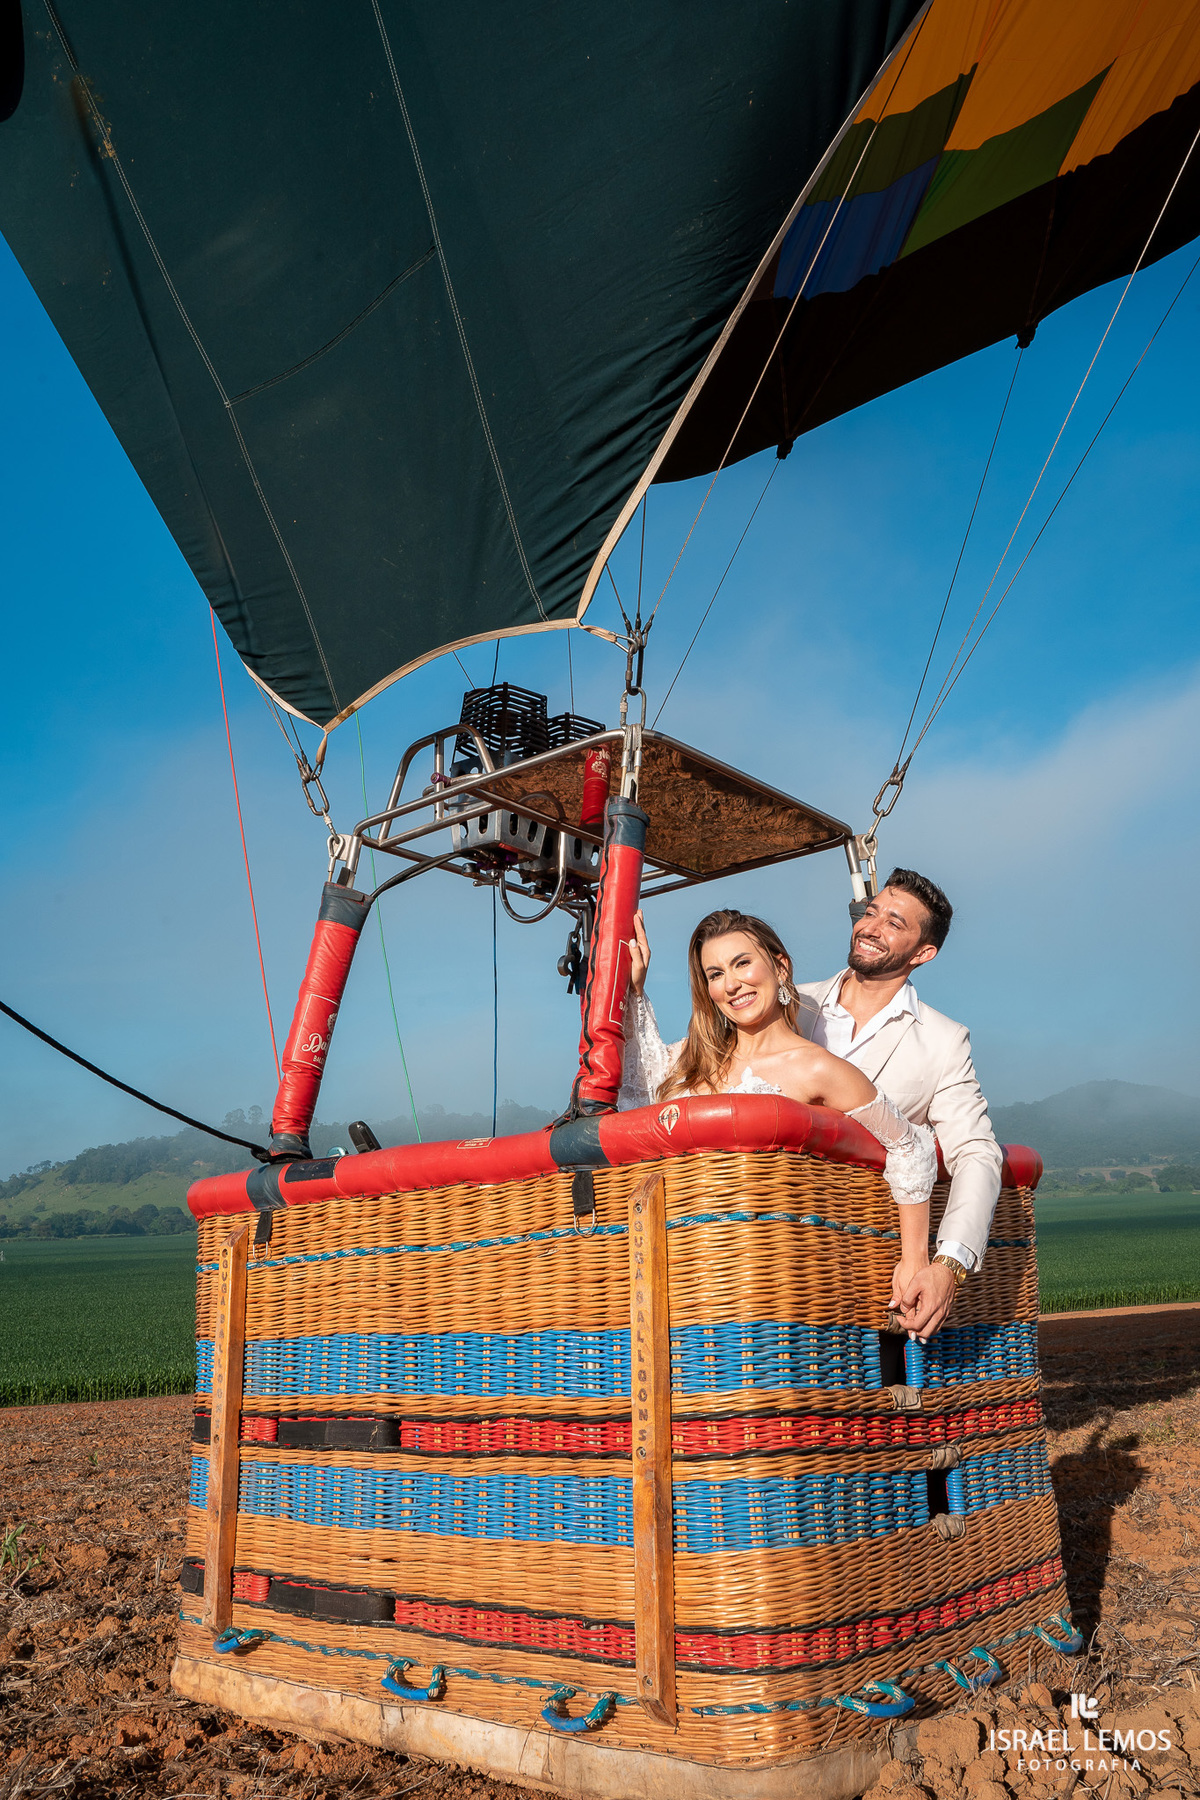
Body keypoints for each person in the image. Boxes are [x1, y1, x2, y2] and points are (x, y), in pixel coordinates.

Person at [620, 907, 941, 1338]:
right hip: (680, 1273)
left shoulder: (815, 1068)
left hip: (766, 1286)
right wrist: (634, 991)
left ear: (779, 965)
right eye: (714, 974)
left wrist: (915, 1258)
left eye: (741, 963)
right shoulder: (692, 1058)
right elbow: (639, 1096)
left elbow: (910, 1147)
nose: (730, 984)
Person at [792, 867, 1002, 1338]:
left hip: (863, 1264)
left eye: (894, 923)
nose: (871, 927)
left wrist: (948, 1264)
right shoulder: (789, 1005)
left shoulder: (944, 1041)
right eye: (871, 912)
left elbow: (976, 1152)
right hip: (775, 1243)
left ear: (924, 953)